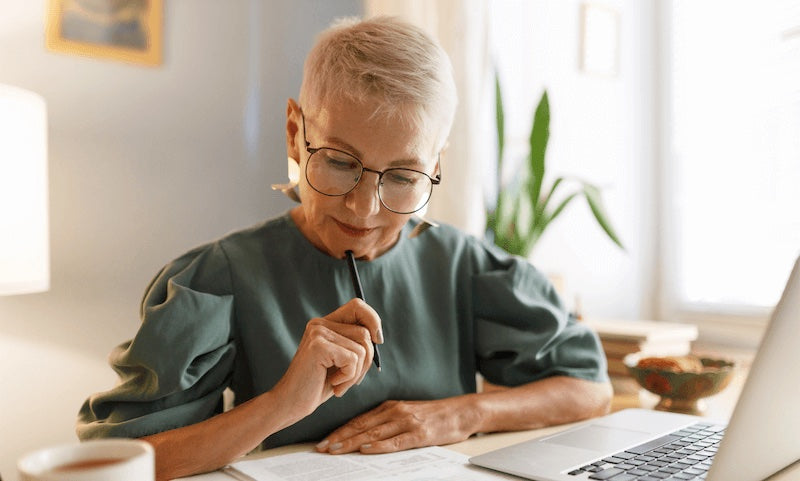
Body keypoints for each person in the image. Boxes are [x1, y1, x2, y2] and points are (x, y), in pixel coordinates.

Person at [77, 16, 612, 480]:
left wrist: (461, 414)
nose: (363, 209)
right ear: (294, 133)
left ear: (436, 166)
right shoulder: (218, 279)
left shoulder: (466, 268)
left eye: (403, 175)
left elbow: (590, 389)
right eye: (338, 161)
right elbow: (118, 462)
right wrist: (282, 404)